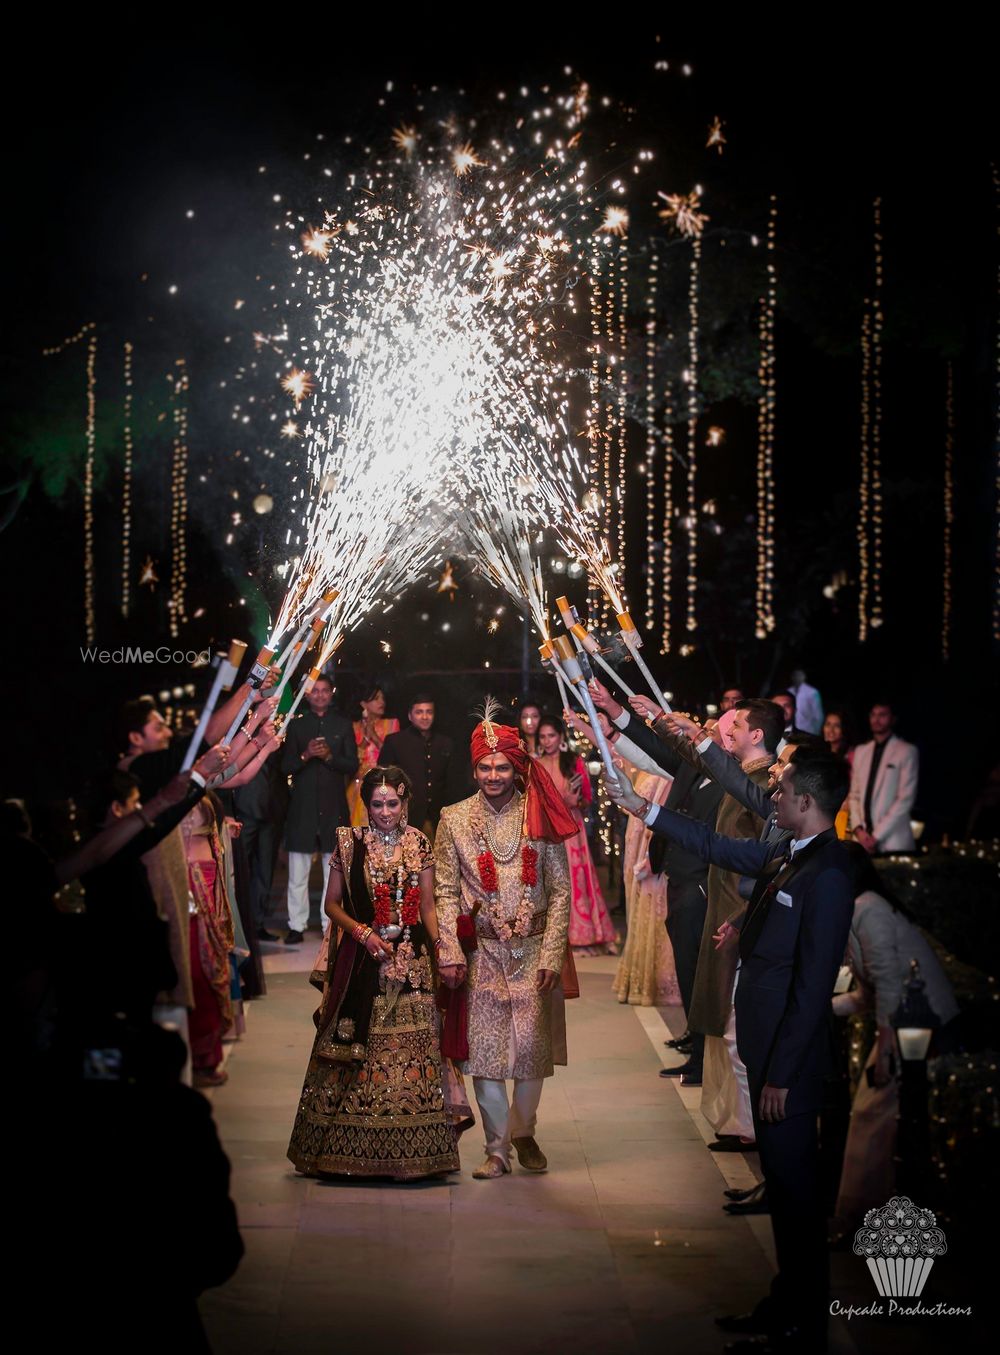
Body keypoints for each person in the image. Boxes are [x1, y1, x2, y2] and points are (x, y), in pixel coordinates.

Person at [607, 752, 855, 1352]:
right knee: (783, 1188)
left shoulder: (831, 871)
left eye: (783, 790)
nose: (774, 797)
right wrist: (644, 808)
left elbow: (813, 985)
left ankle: (802, 1324)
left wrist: (782, 1077)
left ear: (807, 801)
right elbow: (715, 846)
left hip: (788, 1068)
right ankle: (785, 1301)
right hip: (768, 1052)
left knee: (796, 1199)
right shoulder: (786, 853)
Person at [287, 765, 461, 1180]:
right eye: (377, 804)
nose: (385, 812)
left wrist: (441, 946)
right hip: (365, 960)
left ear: (405, 802)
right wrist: (363, 934)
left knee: (413, 1052)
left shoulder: (419, 842)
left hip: (411, 963)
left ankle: (416, 1154)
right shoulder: (349, 843)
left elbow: (428, 907)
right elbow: (331, 905)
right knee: (356, 1050)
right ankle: (346, 1149)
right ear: (365, 804)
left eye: (393, 803)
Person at [435, 702, 573, 1179]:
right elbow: (446, 890)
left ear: (517, 767)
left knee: (532, 1053)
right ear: (474, 768)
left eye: (502, 766)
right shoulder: (452, 819)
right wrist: (450, 951)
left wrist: (552, 954)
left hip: (533, 951)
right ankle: (496, 1150)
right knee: (485, 1054)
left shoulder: (538, 814)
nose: (493, 775)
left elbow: (559, 893)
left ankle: (522, 1129)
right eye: (484, 766)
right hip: (483, 955)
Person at [589, 678, 726, 1086]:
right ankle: (698, 1050)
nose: (714, 734)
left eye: (723, 732)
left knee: (701, 974)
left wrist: (643, 808)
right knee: (688, 971)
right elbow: (656, 751)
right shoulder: (693, 768)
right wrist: (617, 711)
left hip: (704, 886)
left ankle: (707, 1056)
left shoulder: (731, 779)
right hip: (681, 881)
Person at [832, 844, 959, 1229]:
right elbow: (870, 992)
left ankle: (859, 1216)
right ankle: (864, 1213)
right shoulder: (861, 908)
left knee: (873, 1115)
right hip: (905, 1023)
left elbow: (887, 986)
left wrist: (886, 1049)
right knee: (873, 1115)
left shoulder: (867, 909)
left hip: (919, 1027)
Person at [281, 674, 357, 944]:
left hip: (333, 806)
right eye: (315, 691)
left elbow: (352, 765)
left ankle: (331, 924)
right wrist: (306, 755)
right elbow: (285, 766)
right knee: (297, 872)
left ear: (331, 693)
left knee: (332, 870)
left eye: (325, 691)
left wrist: (328, 757)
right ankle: (296, 925)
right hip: (302, 809)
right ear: (307, 694)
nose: (320, 695)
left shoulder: (343, 725)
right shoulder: (297, 726)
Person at [536, 715, 616, 955]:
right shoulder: (536, 764)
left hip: (572, 829)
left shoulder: (572, 762)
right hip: (547, 828)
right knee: (550, 880)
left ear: (560, 737)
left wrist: (575, 801)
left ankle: (584, 935)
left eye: (551, 735)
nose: (547, 741)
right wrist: (562, 800)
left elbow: (587, 800)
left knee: (575, 879)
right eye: (543, 736)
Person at [181, 794, 238, 1089]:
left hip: (206, 922)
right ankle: (199, 1060)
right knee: (199, 984)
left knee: (206, 983)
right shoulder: (180, 809)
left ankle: (203, 1059)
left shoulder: (201, 808)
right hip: (188, 922)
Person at [379, 693, 456, 839]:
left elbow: (451, 782)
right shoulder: (395, 742)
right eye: (419, 712)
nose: (425, 716)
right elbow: (382, 780)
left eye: (429, 712)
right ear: (410, 716)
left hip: (439, 816)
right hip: (405, 816)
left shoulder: (445, 743)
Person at [847, 701, 919, 854]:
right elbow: (854, 795)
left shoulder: (906, 751)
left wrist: (876, 836)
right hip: (862, 839)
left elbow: (905, 799)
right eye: (873, 715)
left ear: (893, 719)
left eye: (882, 715)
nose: (876, 719)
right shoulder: (861, 751)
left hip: (893, 840)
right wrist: (858, 830)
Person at [346, 684, 399, 827]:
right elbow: (351, 759)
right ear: (364, 704)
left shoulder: (392, 724)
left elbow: (394, 756)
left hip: (385, 787)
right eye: (376, 698)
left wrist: (374, 736)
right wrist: (364, 740)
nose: (382, 702)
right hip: (358, 788)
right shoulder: (353, 727)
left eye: (383, 698)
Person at [788, 667, 824, 735]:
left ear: (804, 677)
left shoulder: (812, 692)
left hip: (807, 730)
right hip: (791, 731)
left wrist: (816, 733)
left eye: (800, 675)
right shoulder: (789, 691)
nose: (797, 677)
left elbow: (818, 716)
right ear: (792, 677)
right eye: (795, 675)